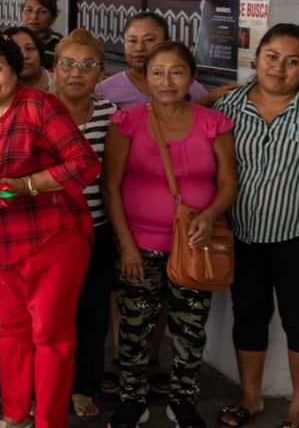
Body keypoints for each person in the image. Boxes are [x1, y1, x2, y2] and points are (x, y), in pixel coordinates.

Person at [0, 30, 101, 428]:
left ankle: (49, 421)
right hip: (1, 241)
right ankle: (16, 414)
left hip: (52, 236)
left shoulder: (40, 106)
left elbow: (85, 163)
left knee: (51, 336)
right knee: (12, 332)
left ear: (14, 70)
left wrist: (28, 185)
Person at [103, 41, 236, 428]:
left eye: (176, 71)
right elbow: (111, 187)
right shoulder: (127, 122)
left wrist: (210, 216)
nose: (166, 81)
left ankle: (183, 401)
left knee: (190, 329)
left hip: (196, 244)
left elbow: (229, 182)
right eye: (157, 72)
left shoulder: (214, 123)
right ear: (146, 78)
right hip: (140, 244)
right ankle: (132, 399)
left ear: (191, 78)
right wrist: (126, 244)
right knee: (134, 327)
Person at [213, 24, 299, 428]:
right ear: (257, 56)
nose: (279, 68)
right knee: (250, 316)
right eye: (272, 56)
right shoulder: (229, 106)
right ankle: (251, 399)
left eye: (293, 61)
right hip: (243, 234)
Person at [52, 29, 119, 419]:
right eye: (69, 64)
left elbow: (112, 179)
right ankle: (45, 384)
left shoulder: (111, 116)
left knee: (90, 314)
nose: (77, 73)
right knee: (47, 317)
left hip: (95, 230)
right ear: (55, 69)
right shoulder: (37, 110)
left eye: (88, 66)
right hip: (47, 234)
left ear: (101, 74)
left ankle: (83, 384)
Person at [97, 12, 208, 108]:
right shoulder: (104, 91)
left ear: (167, 43)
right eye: (132, 41)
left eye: (149, 40)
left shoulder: (189, 86)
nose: (139, 48)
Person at [3, 26, 55, 93]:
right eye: (16, 50)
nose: (25, 56)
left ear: (40, 52)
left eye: (29, 48)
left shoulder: (61, 83)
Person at [20, 0, 62, 69]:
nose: (34, 17)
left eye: (42, 12)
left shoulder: (60, 44)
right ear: (21, 13)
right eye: (29, 10)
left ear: (53, 18)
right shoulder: (10, 40)